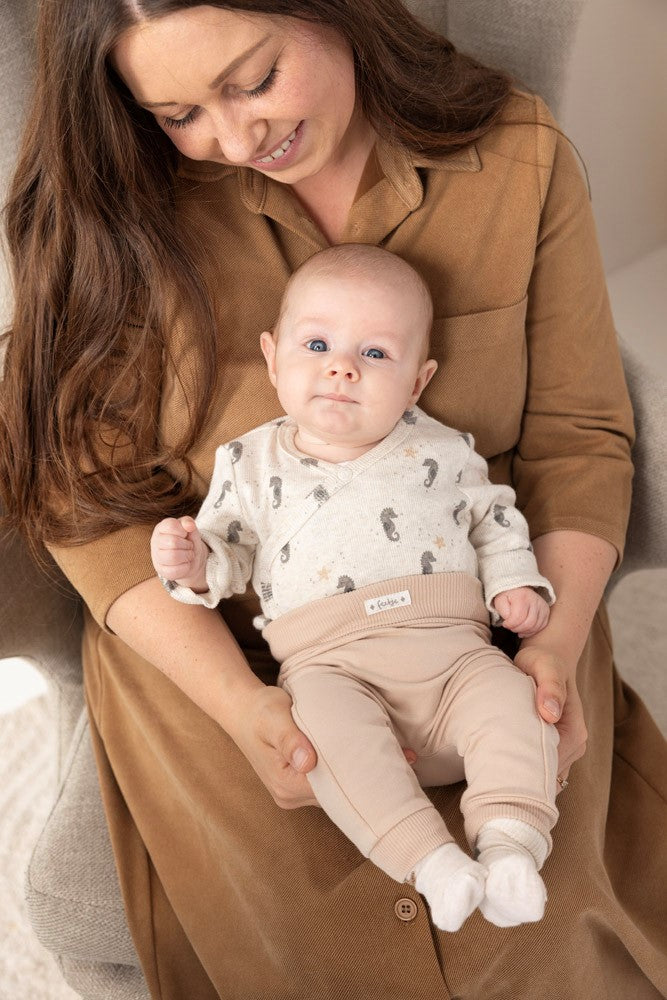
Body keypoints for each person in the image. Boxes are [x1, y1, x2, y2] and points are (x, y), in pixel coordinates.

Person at [0, 1, 664, 998]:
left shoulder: (516, 159)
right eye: (179, 112)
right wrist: (243, 710)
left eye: (254, 79)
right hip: (225, 637)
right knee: (302, 953)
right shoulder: (118, 206)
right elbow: (88, 503)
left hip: (471, 619)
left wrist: (553, 650)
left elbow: (580, 440)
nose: (233, 139)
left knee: (542, 946)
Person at [151, 244, 559, 933]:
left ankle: (510, 845)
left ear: (417, 381)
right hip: (331, 666)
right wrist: (192, 561)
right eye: (317, 344)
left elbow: (494, 520)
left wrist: (516, 582)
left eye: (374, 354)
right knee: (318, 728)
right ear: (273, 357)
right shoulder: (250, 463)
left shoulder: (442, 448)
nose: (341, 367)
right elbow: (230, 560)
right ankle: (432, 863)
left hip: (455, 654)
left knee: (514, 701)